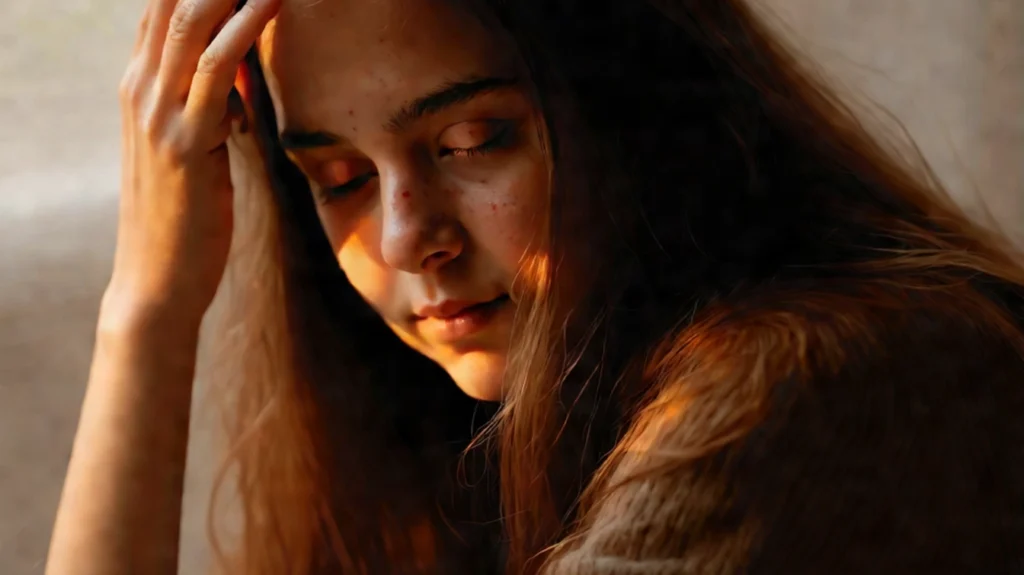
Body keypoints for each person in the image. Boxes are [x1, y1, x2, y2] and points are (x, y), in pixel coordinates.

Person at [45, 0, 1024, 573]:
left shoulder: (824, 385)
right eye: (337, 179)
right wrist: (149, 307)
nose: (404, 236)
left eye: (473, 142)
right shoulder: (477, 441)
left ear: (638, 104)